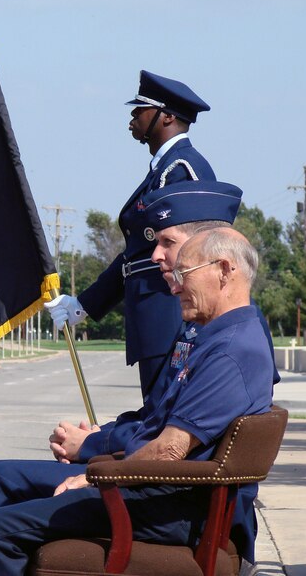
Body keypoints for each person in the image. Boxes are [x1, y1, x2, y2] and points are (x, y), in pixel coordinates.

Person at [0, 181, 277, 574]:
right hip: (157, 489)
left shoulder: (232, 348)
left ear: (225, 271)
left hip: (167, 504)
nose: (174, 283)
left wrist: (97, 479)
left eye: (184, 271)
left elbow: (170, 450)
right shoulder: (217, 334)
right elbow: (158, 426)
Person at [46, 70, 215, 395]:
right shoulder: (164, 171)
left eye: (141, 109)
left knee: (164, 418)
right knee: (155, 413)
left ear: (166, 116)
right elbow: (135, 256)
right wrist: (84, 303)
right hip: (151, 314)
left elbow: (196, 250)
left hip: (169, 312)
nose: (133, 115)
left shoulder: (182, 171)